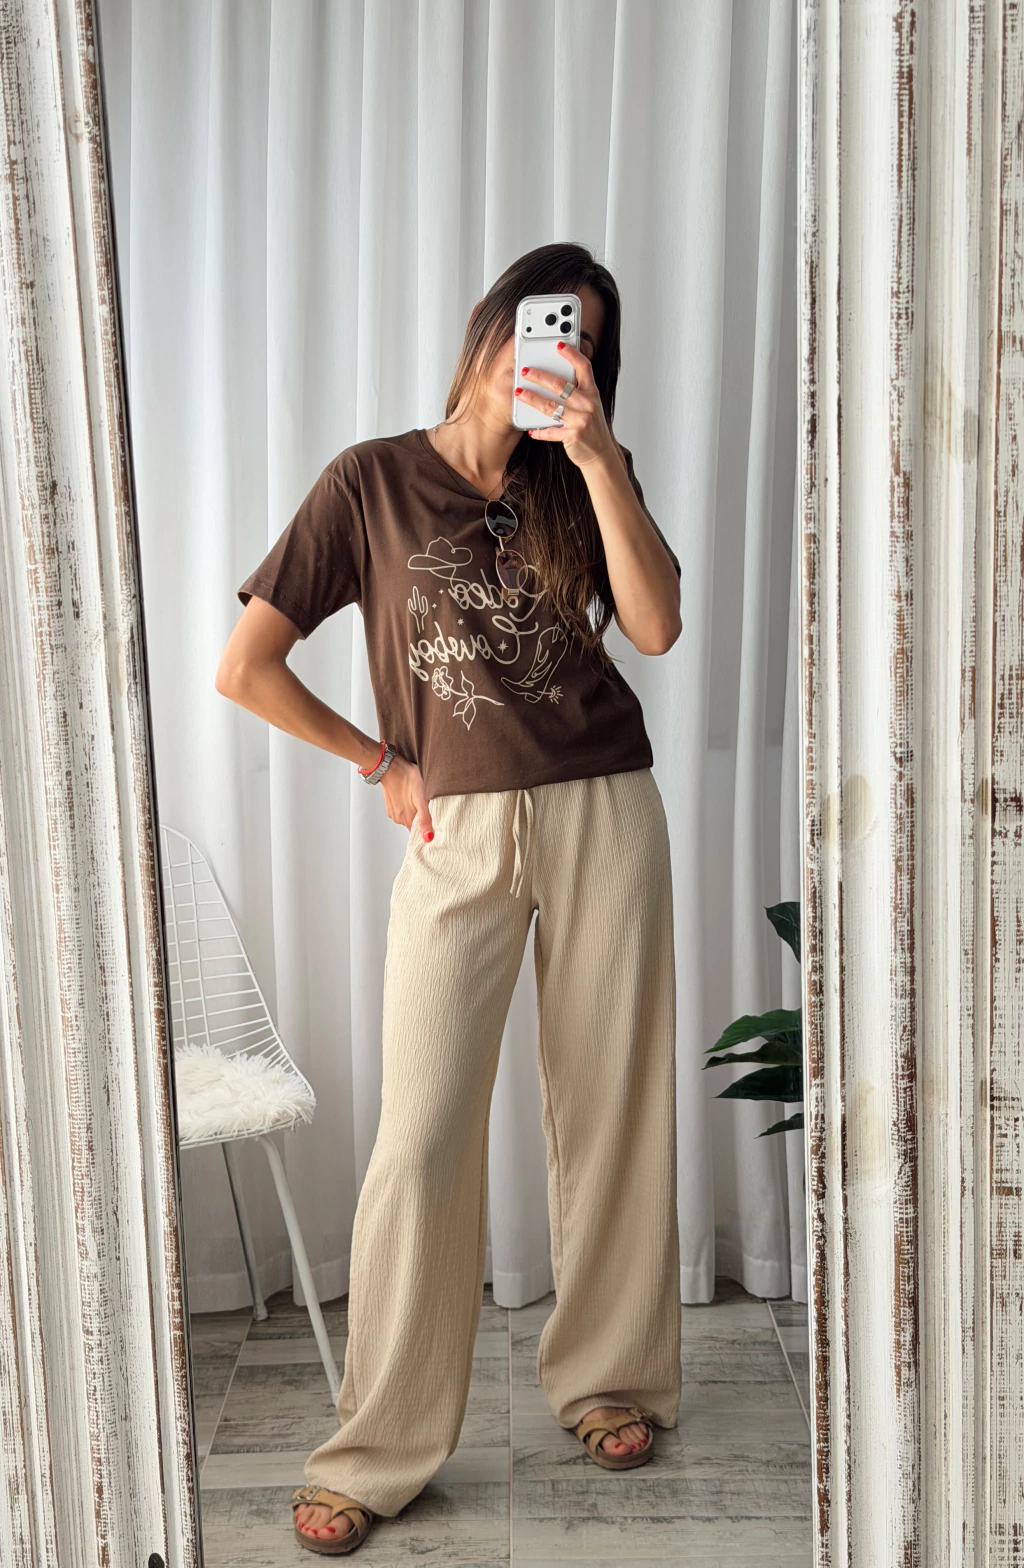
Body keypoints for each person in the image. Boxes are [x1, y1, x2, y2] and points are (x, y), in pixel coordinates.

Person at [215, 240, 683, 1556]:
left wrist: (598, 457)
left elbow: (656, 628)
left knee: (610, 1106)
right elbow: (246, 666)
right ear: (490, 329)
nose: (556, 353)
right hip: (456, 832)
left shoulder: (581, 476)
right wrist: (381, 761)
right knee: (419, 1135)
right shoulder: (369, 481)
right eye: (543, 325)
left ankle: (610, 1380)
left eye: (583, 341)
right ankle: (379, 1445)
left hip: (605, 806)